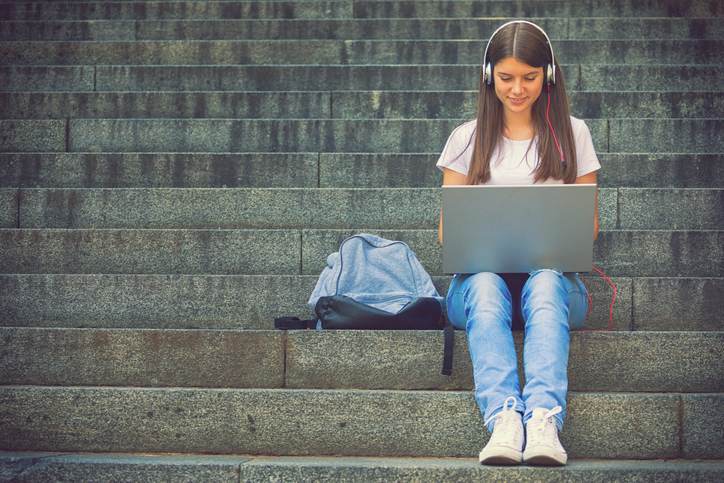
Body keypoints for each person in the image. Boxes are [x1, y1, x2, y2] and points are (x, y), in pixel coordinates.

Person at [435, 20, 601, 466]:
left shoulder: (573, 133)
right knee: (486, 282)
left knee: (546, 279)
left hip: (555, 288)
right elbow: (448, 233)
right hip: (476, 290)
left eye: (529, 77)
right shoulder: (466, 138)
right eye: (506, 78)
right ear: (489, 76)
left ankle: (544, 417)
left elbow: (588, 227)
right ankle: (505, 417)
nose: (517, 89)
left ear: (548, 76)